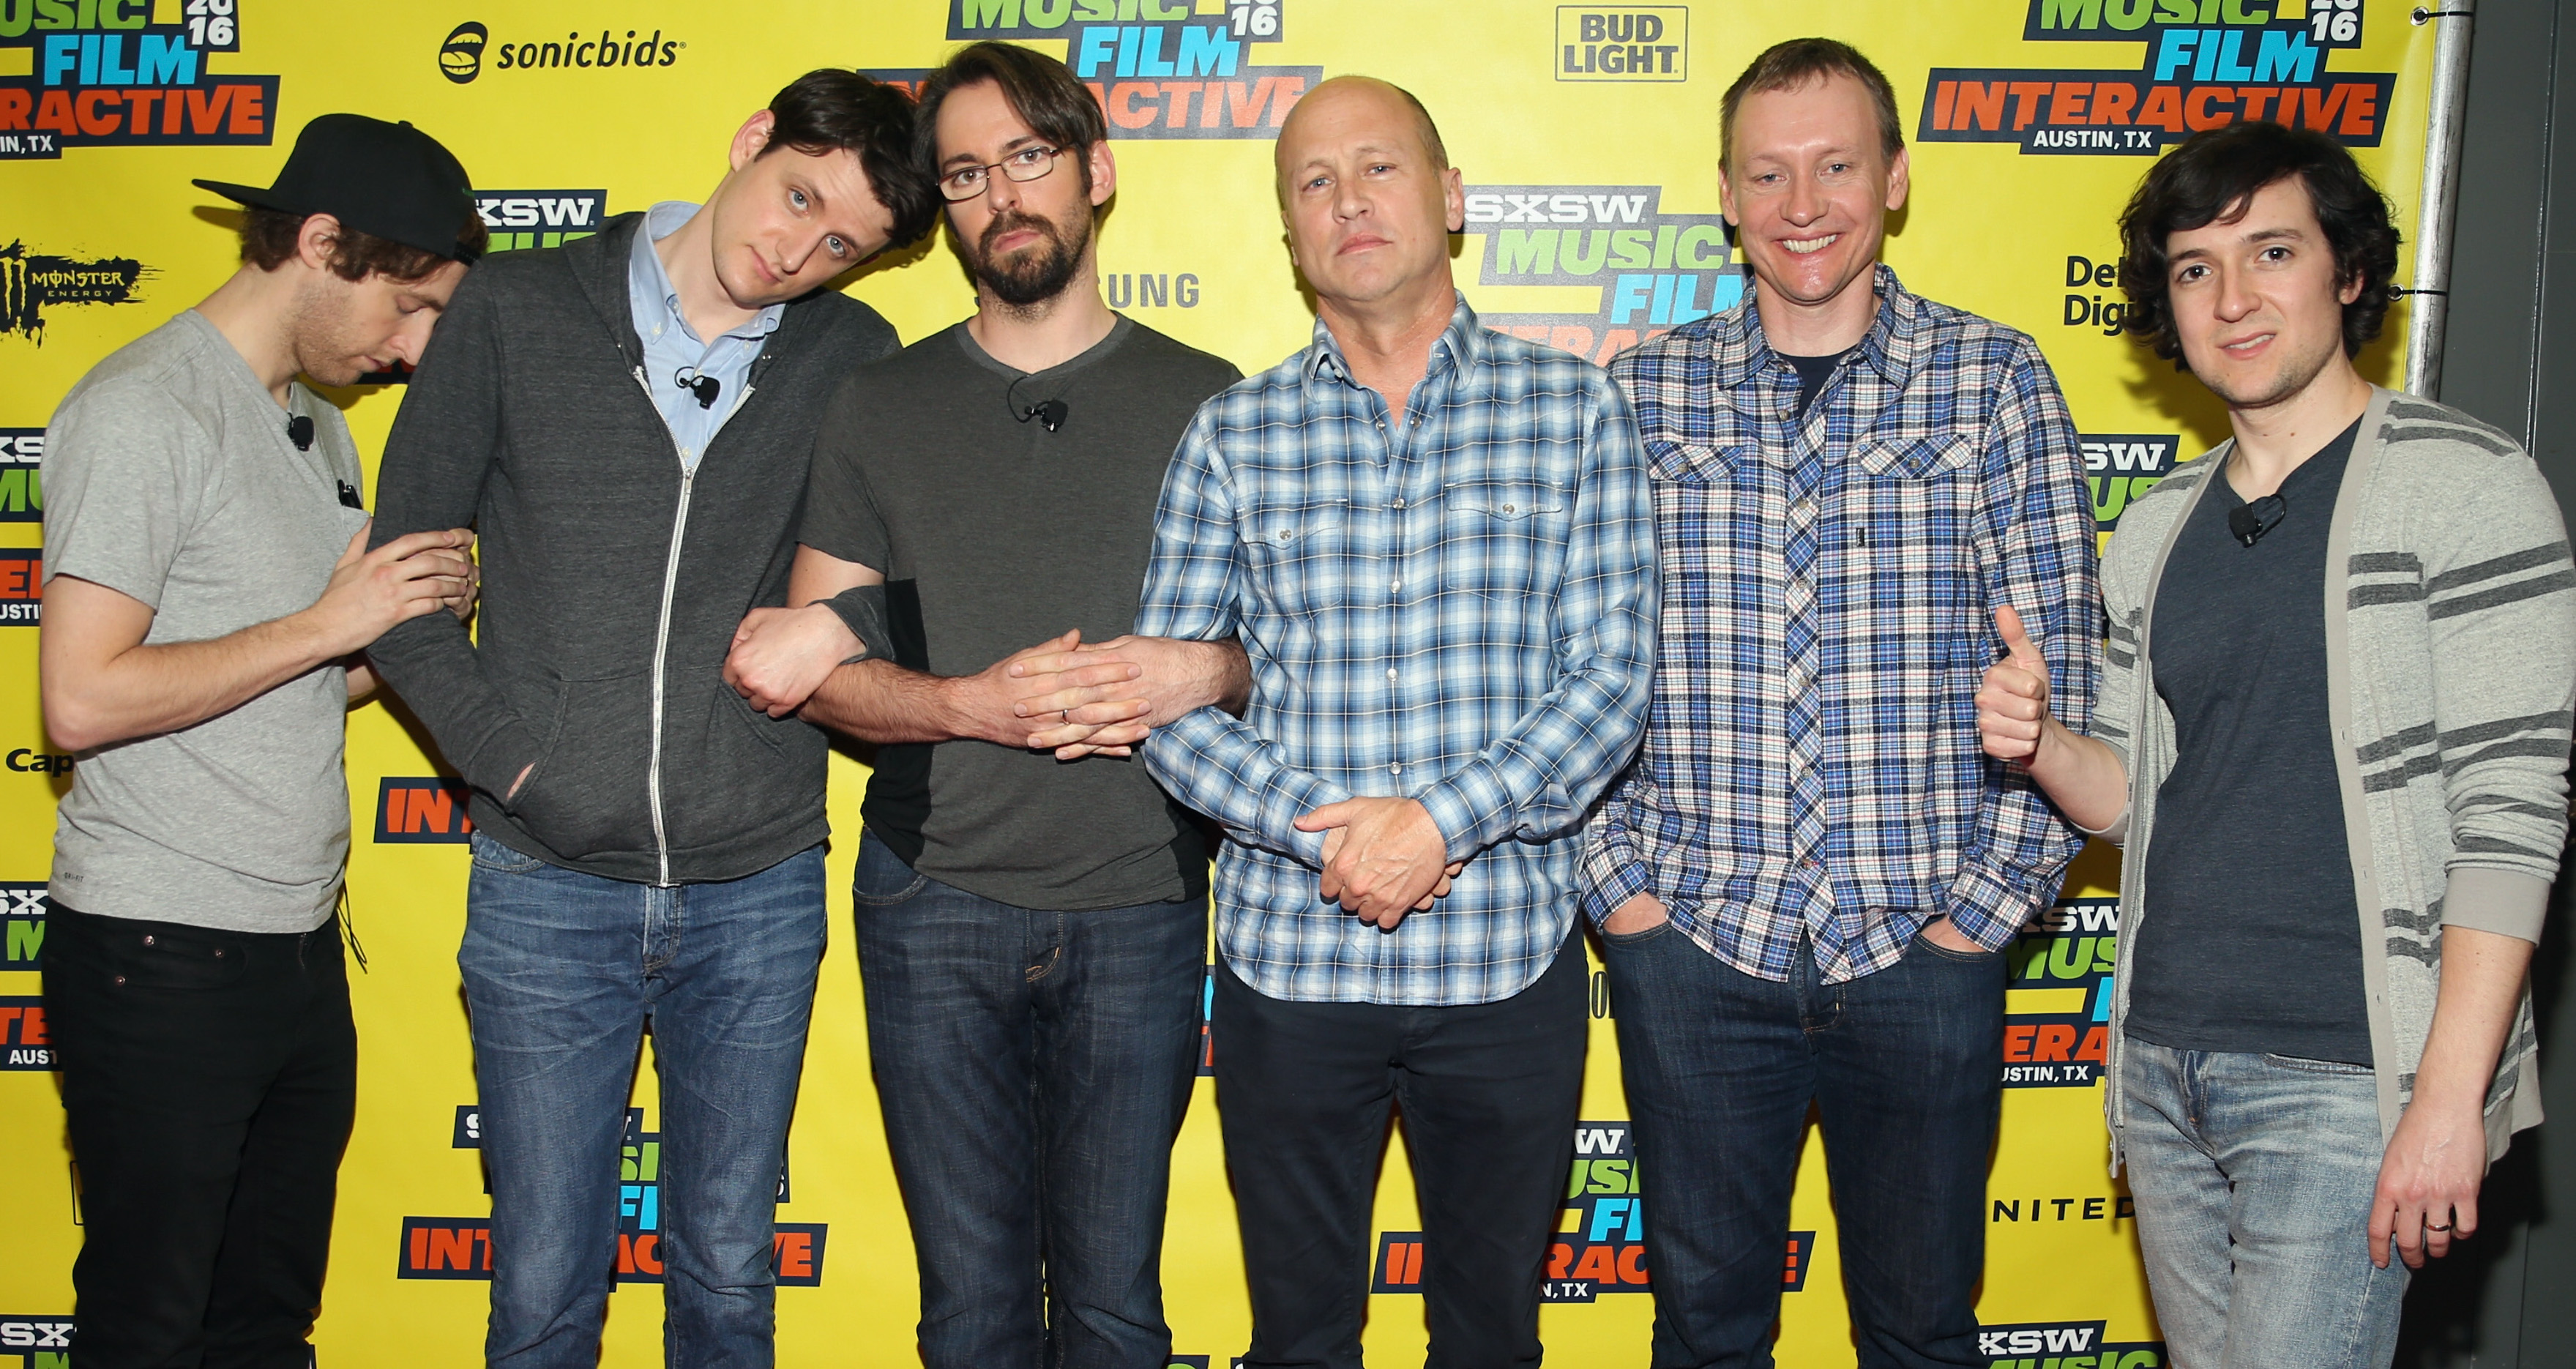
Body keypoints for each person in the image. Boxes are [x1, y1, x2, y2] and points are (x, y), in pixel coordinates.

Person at [362, 70, 940, 1367]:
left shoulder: (853, 359)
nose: (796, 249)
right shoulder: (514, 308)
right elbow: (396, 598)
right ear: (750, 143)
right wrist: (522, 766)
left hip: (760, 883)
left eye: (841, 242)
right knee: (546, 1289)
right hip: (543, 882)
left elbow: (912, 591)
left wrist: (839, 631)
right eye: (797, 195)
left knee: (731, 1278)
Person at [1976, 119, 2571, 1369]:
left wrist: (2445, 1099)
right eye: (2195, 268)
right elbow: (2135, 798)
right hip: (2162, 1064)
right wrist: (2040, 745)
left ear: (2349, 272)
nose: (2233, 298)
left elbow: (2511, 821)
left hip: (2350, 1079)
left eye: (2272, 252)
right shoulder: (2153, 529)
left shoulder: (2467, 487)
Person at [717, 42, 1247, 1368]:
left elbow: (1295, 653)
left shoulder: (1214, 401)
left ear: (1095, 172)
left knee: (1118, 1302)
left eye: (1029, 158)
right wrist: (975, 705)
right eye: (964, 173)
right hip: (932, 902)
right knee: (970, 1311)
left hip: (1142, 900)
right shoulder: (876, 403)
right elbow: (819, 661)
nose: (1000, 195)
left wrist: (1209, 671)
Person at [1580, 38, 2099, 1368]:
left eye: (1834, 165)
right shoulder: (1638, 395)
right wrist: (1623, 899)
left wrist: (1974, 922)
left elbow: (2067, 678)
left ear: (1897, 178)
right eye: (1769, 171)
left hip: (1922, 957)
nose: (1802, 201)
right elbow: (1567, 663)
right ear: (1728, 194)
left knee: (1921, 1333)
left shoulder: (1995, 382)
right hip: (1694, 945)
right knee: (1703, 1332)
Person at [1132, 75, 1657, 1368]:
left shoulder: (1573, 410)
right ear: (1291, 232)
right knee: (1300, 1337)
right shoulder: (1229, 435)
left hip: (1504, 964)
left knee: (1491, 1337)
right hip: (1288, 966)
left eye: (1378, 167)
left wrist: (1437, 825)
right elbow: (1169, 702)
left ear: (1452, 197)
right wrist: (1331, 837)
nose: (1348, 200)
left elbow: (1610, 682)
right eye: (1314, 182)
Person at [36, 113, 482, 1367]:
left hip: (290, 947)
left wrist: (388, 633)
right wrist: (327, 619)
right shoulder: (144, 411)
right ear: (322, 244)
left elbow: (284, 680)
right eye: (406, 310)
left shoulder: (314, 425)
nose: (411, 351)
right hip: (160, 949)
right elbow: (79, 700)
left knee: (264, 1322)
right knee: (150, 1323)